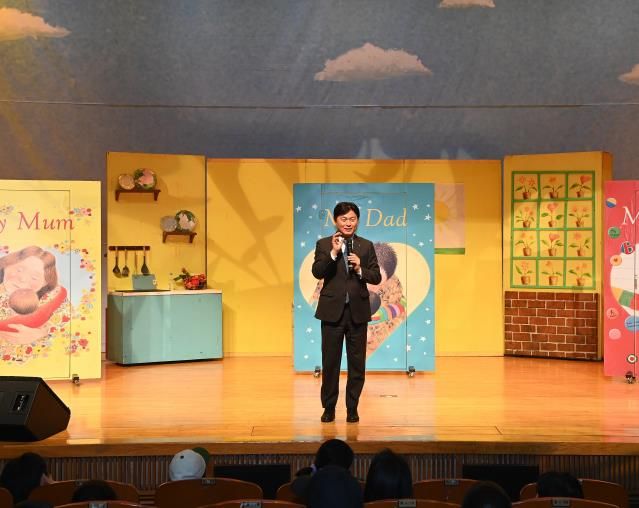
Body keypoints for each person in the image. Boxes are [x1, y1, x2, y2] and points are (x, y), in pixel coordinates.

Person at [312, 202, 381, 423]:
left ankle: (352, 408)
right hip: (332, 313)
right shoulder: (324, 244)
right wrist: (333, 253)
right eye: (343, 219)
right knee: (330, 363)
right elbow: (317, 271)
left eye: (352, 219)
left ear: (357, 221)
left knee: (357, 364)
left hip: (357, 313)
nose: (348, 223)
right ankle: (329, 408)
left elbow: (376, 276)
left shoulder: (366, 246)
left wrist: (360, 268)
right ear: (335, 221)